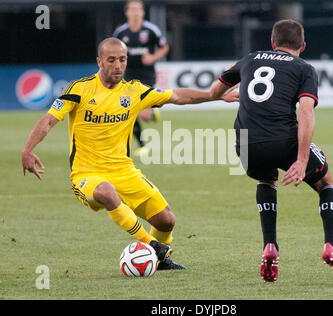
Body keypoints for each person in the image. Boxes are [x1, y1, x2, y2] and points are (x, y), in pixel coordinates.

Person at [21, 37, 238, 270]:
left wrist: (214, 96)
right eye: (111, 60)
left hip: (124, 171)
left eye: (122, 60)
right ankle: (151, 245)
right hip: (87, 174)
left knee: (167, 220)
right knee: (106, 191)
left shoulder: (134, 91)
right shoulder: (80, 89)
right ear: (99, 61)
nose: (117, 65)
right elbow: (49, 120)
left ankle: (161, 261)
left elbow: (177, 96)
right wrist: (28, 149)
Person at [209, 19, 333, 282]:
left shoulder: (250, 58)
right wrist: (301, 160)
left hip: (245, 143)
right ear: (303, 45)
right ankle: (332, 247)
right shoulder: (304, 68)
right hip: (283, 140)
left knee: (266, 178)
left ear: (273, 43)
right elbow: (306, 112)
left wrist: (225, 96)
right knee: (326, 183)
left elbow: (214, 91)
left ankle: (270, 246)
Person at [113, 0, 169, 157]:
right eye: (132, 9)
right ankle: (142, 144)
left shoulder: (151, 30)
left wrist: (153, 57)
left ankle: (152, 114)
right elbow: (113, 49)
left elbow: (164, 47)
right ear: (127, 12)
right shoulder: (120, 32)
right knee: (129, 110)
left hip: (147, 75)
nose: (136, 12)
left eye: (139, 9)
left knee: (143, 114)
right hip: (128, 75)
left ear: (143, 12)